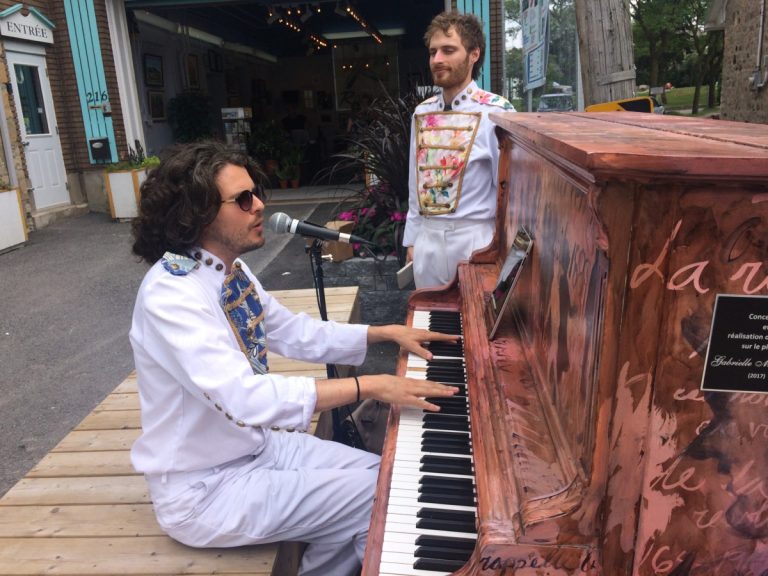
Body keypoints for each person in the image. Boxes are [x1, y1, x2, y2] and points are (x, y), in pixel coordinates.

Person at [129, 140, 458, 576]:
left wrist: (383, 333)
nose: (260, 205)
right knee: (382, 497)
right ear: (198, 212)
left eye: (256, 191)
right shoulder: (170, 295)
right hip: (204, 489)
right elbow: (246, 398)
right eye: (243, 199)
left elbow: (290, 330)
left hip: (258, 449)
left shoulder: (228, 268)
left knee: (389, 476)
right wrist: (371, 385)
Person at [403, 11, 515, 289]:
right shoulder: (421, 112)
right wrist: (412, 240)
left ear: (474, 54)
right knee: (428, 324)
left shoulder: (497, 112)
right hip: (428, 242)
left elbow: (511, 197)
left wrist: (504, 251)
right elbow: (414, 186)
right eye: (433, 52)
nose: (437, 60)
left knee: (476, 328)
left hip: (476, 241)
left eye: (448, 50)